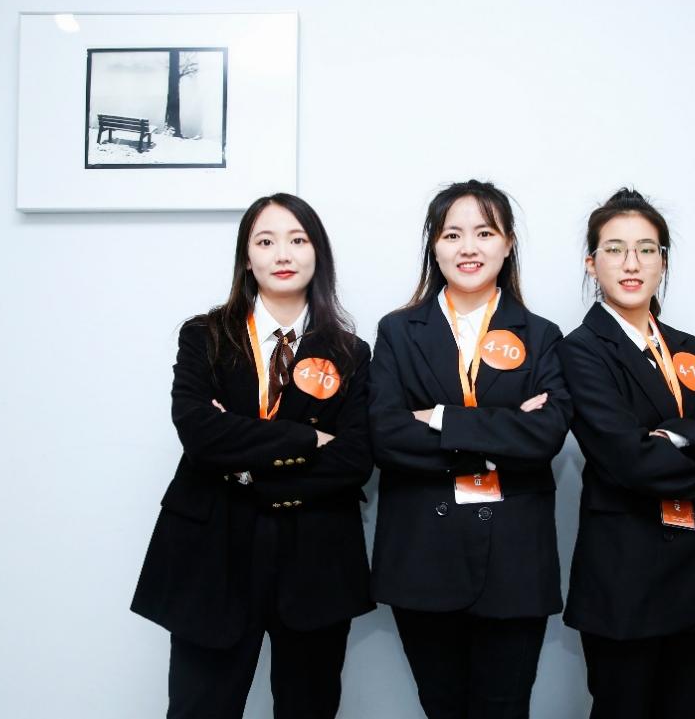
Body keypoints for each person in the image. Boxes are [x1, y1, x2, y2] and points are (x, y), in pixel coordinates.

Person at [131, 193, 375, 719]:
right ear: (247, 257)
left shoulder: (351, 353)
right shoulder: (205, 336)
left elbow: (356, 459)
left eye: (297, 240)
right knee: (200, 709)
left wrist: (239, 461)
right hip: (212, 553)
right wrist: (307, 440)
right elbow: (199, 434)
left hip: (315, 558)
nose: (282, 253)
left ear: (318, 253)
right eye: (265, 241)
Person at [368, 180, 572, 719]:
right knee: (442, 707)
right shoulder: (397, 331)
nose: (468, 248)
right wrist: (505, 432)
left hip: (514, 559)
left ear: (508, 244)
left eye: (485, 233)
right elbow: (386, 435)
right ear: (434, 246)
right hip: (422, 554)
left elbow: (545, 436)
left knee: (505, 708)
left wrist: (437, 418)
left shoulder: (542, 335)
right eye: (452, 234)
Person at [558, 189, 695, 719]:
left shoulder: (684, 345)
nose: (632, 264)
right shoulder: (580, 350)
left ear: (663, 261)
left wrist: (675, 435)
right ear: (592, 262)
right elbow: (630, 460)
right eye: (615, 249)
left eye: (646, 249)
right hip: (626, 574)